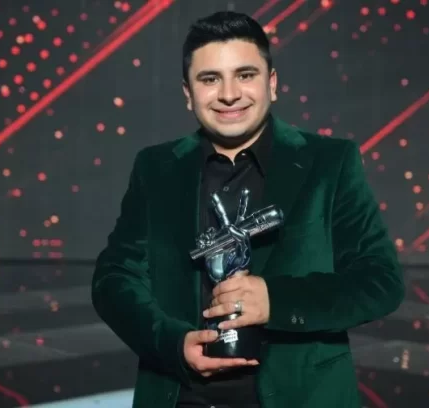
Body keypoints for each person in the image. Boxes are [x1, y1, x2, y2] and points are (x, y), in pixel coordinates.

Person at [92, 11, 404, 408]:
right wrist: (171, 343)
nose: (229, 94)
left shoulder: (329, 162)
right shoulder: (156, 168)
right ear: (188, 93)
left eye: (245, 75)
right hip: (181, 397)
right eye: (210, 79)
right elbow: (114, 279)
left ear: (271, 83)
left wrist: (276, 301)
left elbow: (380, 282)